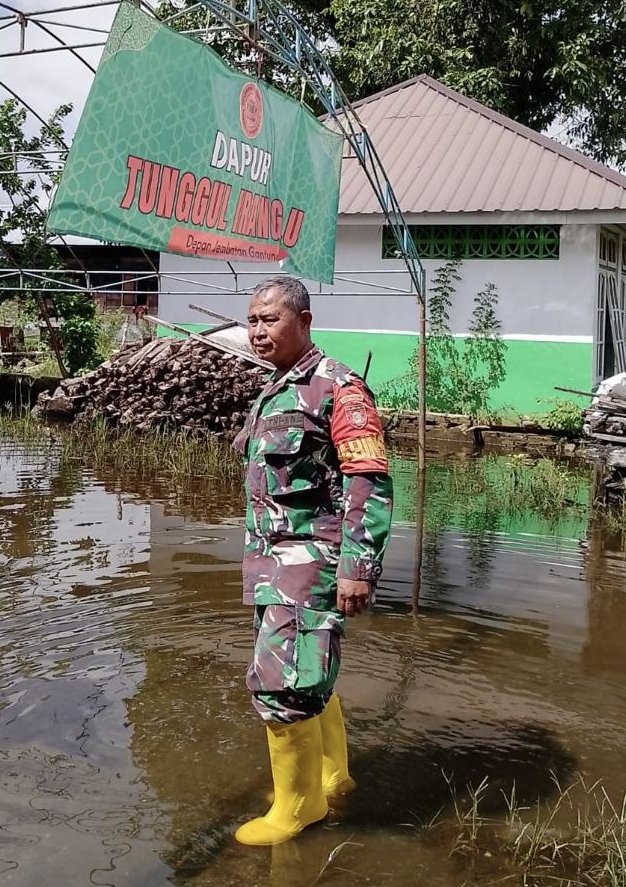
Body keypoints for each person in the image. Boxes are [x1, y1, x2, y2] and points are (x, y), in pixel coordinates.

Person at [231, 275, 393, 846]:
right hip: (272, 564)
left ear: (304, 321)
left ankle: (297, 810)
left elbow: (368, 479)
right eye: (252, 320)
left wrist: (357, 568)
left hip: (309, 564)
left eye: (270, 319)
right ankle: (332, 778)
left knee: (282, 685)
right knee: (307, 671)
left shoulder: (338, 388)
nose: (258, 331)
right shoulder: (275, 389)